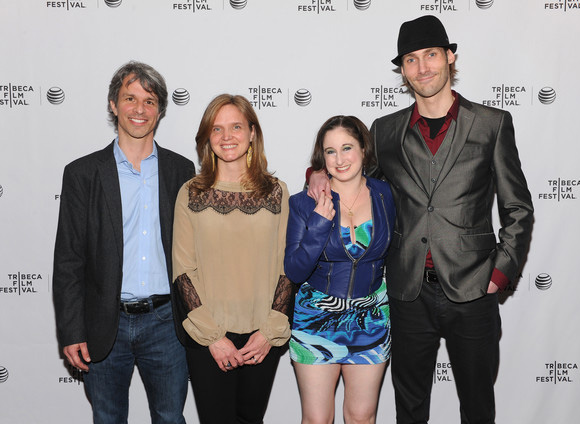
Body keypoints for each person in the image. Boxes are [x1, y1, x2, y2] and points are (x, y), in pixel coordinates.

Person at [309, 16, 534, 424]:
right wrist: (318, 175)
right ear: (403, 70)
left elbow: (518, 208)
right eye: (411, 60)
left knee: (478, 409)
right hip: (407, 291)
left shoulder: (491, 124)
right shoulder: (385, 130)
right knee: (409, 411)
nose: (422, 67)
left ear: (450, 57)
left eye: (431, 55)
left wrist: (499, 275)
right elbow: (357, 185)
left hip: (473, 291)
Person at [52, 61, 194, 423]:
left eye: (149, 101)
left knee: (169, 417)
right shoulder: (82, 174)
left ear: (160, 110)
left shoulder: (181, 171)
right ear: (113, 105)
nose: (139, 109)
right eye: (130, 98)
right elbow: (68, 260)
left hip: (167, 324)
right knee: (108, 417)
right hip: (103, 324)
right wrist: (72, 331)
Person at [171, 94, 292, 424]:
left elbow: (288, 267)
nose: (227, 137)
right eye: (217, 129)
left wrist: (269, 331)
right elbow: (183, 271)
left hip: (261, 336)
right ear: (207, 138)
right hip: (208, 337)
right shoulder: (191, 192)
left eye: (236, 126)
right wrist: (213, 337)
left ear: (252, 132)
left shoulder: (277, 192)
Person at [286, 115, 396, 424]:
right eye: (330, 151)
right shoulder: (304, 204)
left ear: (363, 148)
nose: (339, 158)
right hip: (316, 318)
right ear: (322, 157)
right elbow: (294, 271)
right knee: (318, 420)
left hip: (371, 316)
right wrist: (319, 225)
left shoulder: (385, 195)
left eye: (347, 147)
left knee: (362, 417)